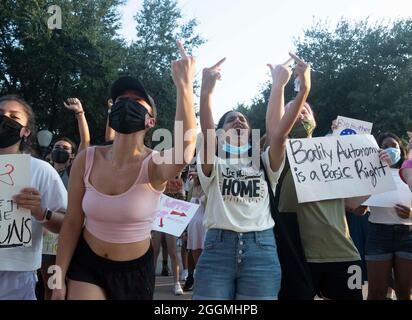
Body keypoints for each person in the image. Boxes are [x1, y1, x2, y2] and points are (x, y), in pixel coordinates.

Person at [52, 41, 197, 300]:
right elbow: (73, 222)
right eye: (120, 100)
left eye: (135, 101)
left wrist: (184, 85)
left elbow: (186, 149)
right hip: (87, 267)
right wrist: (58, 277)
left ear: (150, 121)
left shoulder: (154, 164)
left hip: (135, 273)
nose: (125, 103)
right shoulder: (86, 159)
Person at [193, 53, 311, 300]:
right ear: (220, 133)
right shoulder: (213, 164)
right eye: (230, 120)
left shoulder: (265, 162)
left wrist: (297, 91)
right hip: (217, 251)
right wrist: (206, 93)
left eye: (242, 120)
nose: (237, 121)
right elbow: (205, 131)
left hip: (262, 252)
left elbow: (278, 134)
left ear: (250, 134)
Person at [276, 104, 385, 300]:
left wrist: (377, 166)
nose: (299, 114)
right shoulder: (274, 154)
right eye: (292, 110)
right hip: (295, 255)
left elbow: (354, 205)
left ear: (314, 120)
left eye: (304, 110)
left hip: (342, 253)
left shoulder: (334, 154)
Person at [0, 94, 67, 300]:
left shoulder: (41, 170)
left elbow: (67, 222)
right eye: (1, 114)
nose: (5, 120)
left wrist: (40, 212)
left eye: (14, 116)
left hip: (16, 274)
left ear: (26, 130)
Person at [39, 97, 90, 300]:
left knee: (70, 283)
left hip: (72, 233)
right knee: (49, 283)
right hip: (47, 236)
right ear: (51, 153)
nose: (60, 150)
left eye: (65, 148)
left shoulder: (76, 170)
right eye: (57, 147)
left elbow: (86, 142)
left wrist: (79, 113)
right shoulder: (42, 172)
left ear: (72, 156)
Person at [366, 132, 412, 300]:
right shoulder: (369, 174)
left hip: (408, 235)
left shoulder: (409, 173)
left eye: (394, 146)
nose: (389, 150)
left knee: (405, 293)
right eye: (385, 146)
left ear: (401, 150)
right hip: (378, 235)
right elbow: (357, 210)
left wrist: (411, 213)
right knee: (376, 293)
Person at [151, 175, 186, 295]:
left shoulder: (178, 182)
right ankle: (150, 282)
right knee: (154, 251)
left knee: (173, 252)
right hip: (158, 216)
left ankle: (176, 283)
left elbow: (181, 200)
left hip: (170, 218)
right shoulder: (158, 178)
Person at [183, 165, 207, 291]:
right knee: (192, 252)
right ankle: (191, 277)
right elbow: (187, 206)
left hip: (205, 225)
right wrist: (185, 227)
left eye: (198, 172)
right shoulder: (192, 186)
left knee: (204, 254)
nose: (194, 174)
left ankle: (202, 279)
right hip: (193, 225)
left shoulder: (209, 186)